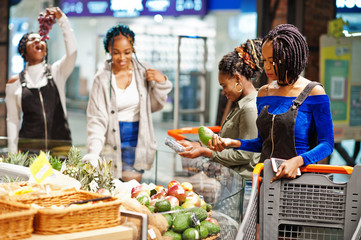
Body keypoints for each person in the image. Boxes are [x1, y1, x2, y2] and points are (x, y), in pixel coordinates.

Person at [210, 24, 334, 183]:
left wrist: (297, 161)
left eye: (272, 61)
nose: (266, 67)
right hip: (265, 181)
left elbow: (327, 144)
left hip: (301, 181)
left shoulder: (314, 92)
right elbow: (263, 143)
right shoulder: (264, 93)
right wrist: (232, 143)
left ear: (289, 58)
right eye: (264, 60)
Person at [83, 24, 172, 181]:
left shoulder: (144, 71)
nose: (122, 58)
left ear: (134, 49)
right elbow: (96, 120)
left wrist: (162, 82)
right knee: (110, 186)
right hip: (109, 139)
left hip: (137, 137)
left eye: (127, 52)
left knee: (132, 187)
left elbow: (156, 105)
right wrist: (93, 152)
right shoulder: (101, 79)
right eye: (116, 53)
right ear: (108, 51)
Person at [177, 39, 264, 180]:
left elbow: (244, 155)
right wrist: (197, 144)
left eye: (224, 86)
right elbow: (227, 144)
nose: (223, 92)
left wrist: (205, 152)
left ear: (237, 79)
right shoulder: (240, 105)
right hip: (233, 182)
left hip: (244, 185)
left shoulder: (249, 109)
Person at [5, 7, 76, 154]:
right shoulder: (14, 82)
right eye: (32, 39)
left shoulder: (57, 72)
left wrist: (61, 19)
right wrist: (12, 154)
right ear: (22, 51)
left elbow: (73, 52)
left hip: (60, 148)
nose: (38, 41)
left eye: (41, 39)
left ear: (45, 49)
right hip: (30, 151)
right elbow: (13, 120)